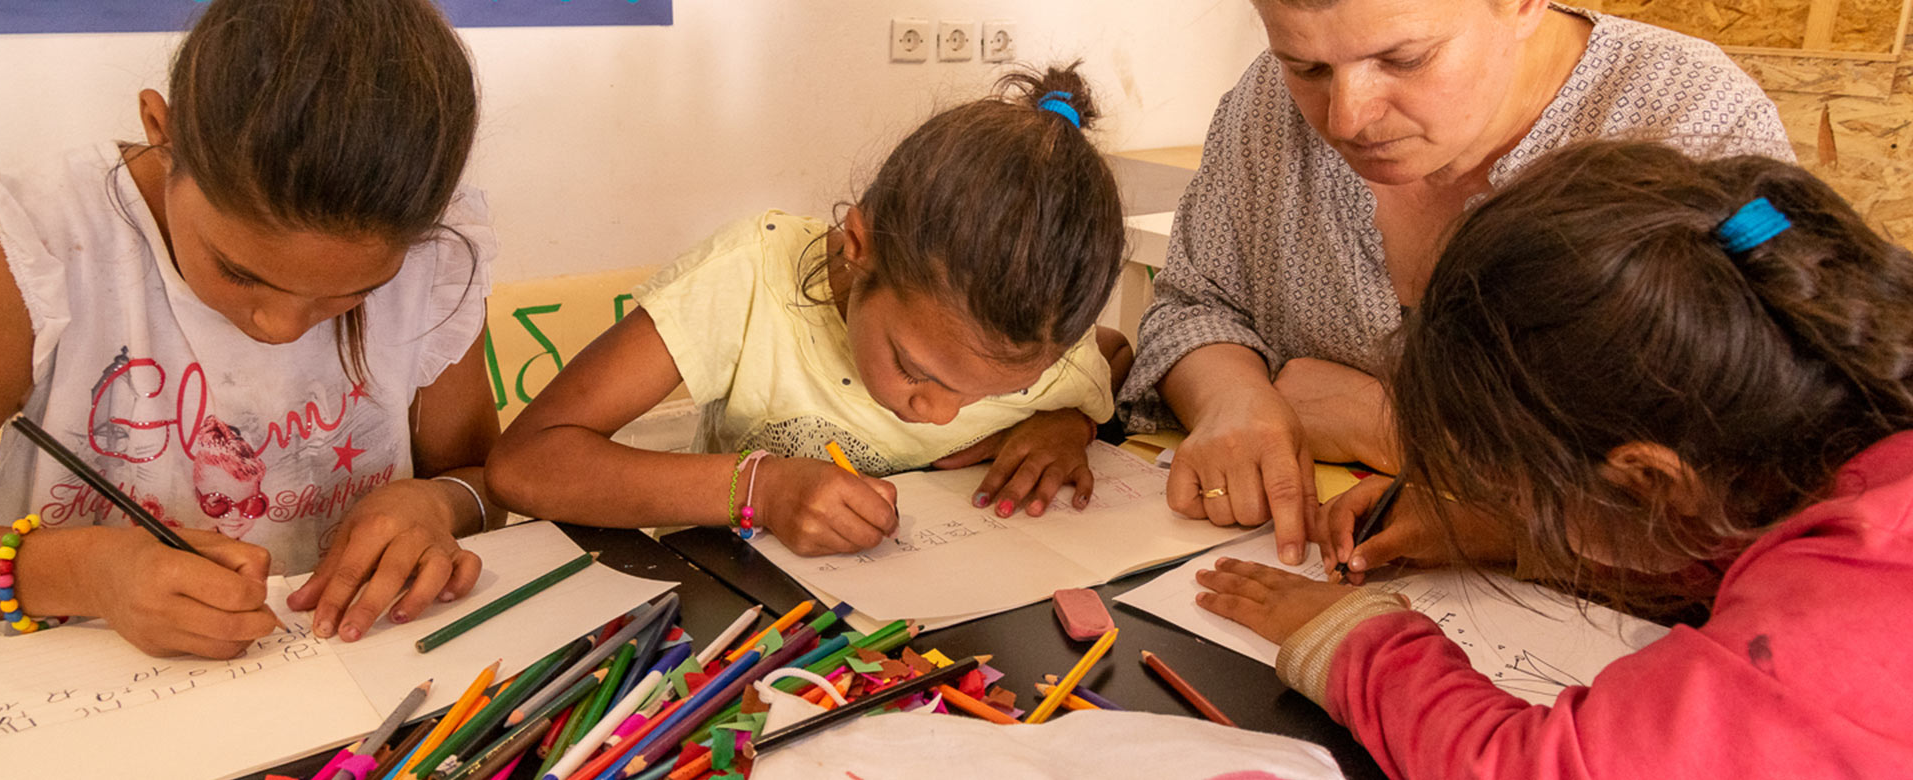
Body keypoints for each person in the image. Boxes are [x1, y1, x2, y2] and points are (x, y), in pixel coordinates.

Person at [1199, 141, 1913, 777]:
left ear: (1650, 479)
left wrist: (1354, 639)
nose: (1502, 505)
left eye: (1518, 493)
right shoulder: (1845, 424)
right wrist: (1517, 536)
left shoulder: (1841, 613)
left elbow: (1536, 768)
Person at [0, 0, 499, 658]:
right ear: (162, 133)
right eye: (240, 273)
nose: (279, 330)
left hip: (360, 676)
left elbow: (482, 479)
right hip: (90, 704)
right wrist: (83, 573)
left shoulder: (438, 260)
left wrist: (439, 506)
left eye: (355, 292)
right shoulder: (40, 244)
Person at [1119, 0, 1794, 567]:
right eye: (1308, 67)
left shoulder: (1688, 123)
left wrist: (1391, 425)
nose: (1348, 117)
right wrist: (1232, 396)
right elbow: (1194, 300)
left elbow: (1725, 485)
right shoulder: (1267, 102)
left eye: (1404, 59)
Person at [488, 65, 1131, 556]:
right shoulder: (746, 280)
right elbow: (526, 462)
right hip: (726, 615)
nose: (938, 413)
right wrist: (759, 490)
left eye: (999, 393)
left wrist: (1065, 424)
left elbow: (1111, 355)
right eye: (916, 371)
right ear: (859, 247)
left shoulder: (1038, 324)